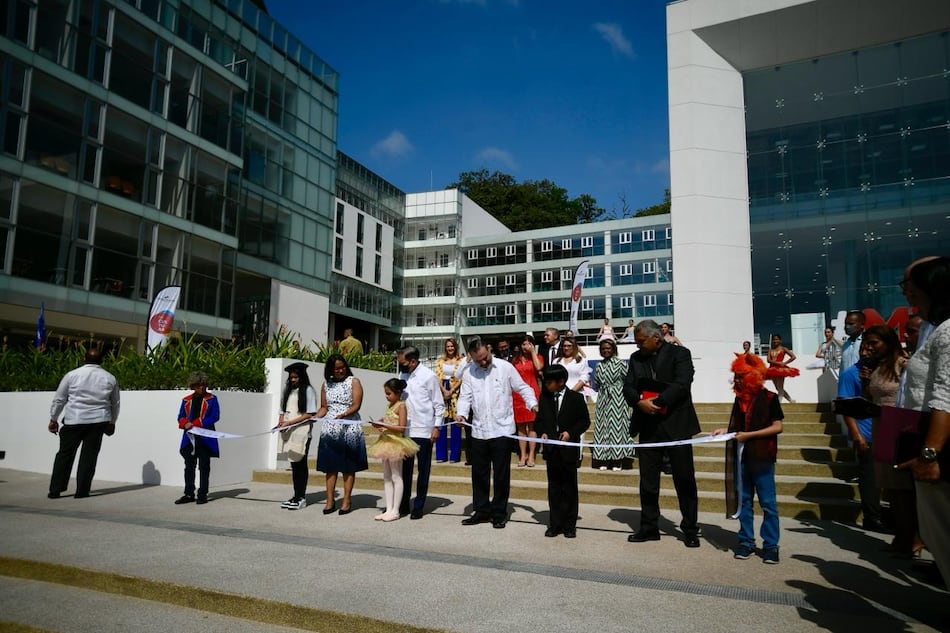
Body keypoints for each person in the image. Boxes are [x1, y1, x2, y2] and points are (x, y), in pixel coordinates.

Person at [622, 319, 701, 548]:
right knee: (648, 481)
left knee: (684, 479)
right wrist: (639, 402)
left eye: (640, 341)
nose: (637, 346)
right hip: (648, 427)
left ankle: (689, 529)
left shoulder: (680, 354)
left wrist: (656, 401)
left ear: (656, 338)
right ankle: (648, 527)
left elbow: (683, 383)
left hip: (676, 425)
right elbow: (628, 386)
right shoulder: (636, 359)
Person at [897, 256, 950, 585]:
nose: (906, 293)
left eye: (910, 285)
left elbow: (946, 396)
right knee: (937, 531)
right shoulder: (935, 330)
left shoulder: (946, 333)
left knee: (942, 529)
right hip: (921, 438)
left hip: (939, 452)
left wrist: (930, 454)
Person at [456, 337, 538, 529]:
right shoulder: (469, 372)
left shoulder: (505, 367)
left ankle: (499, 512)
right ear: (472, 357)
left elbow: (523, 388)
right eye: (478, 360)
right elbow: (465, 397)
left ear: (489, 349)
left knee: (501, 474)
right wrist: (461, 415)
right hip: (478, 430)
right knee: (479, 474)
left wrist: (532, 404)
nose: (483, 362)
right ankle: (482, 510)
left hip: (502, 429)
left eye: (485, 357)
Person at [712, 353, 784, 564]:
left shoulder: (770, 398)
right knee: (744, 501)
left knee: (768, 503)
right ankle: (746, 541)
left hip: (762, 457)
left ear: (753, 375)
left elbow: (777, 427)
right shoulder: (739, 399)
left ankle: (771, 545)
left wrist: (749, 436)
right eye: (736, 376)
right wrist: (726, 430)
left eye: (741, 375)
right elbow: (740, 428)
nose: (737, 380)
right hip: (742, 457)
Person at [864, 324, 918, 547]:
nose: (869, 348)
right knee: (890, 486)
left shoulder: (902, 364)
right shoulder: (879, 367)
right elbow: (872, 396)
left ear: (888, 341)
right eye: (867, 344)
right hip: (881, 426)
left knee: (903, 486)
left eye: (874, 343)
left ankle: (913, 536)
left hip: (901, 426)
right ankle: (902, 533)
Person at [47, 347, 120, 499]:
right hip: (98, 421)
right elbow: (115, 403)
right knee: (89, 457)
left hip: (74, 419)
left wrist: (53, 418)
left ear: (84, 359)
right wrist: (112, 422)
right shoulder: (109, 378)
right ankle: (82, 491)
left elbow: (59, 399)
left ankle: (56, 489)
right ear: (101, 361)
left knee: (64, 455)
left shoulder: (72, 375)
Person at [535, 364, 590, 538]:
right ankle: (555, 523)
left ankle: (569, 525)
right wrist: (542, 431)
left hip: (568, 450)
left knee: (569, 488)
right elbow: (539, 420)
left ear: (560, 382)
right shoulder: (545, 398)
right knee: (554, 488)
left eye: (549, 382)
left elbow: (584, 422)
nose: (546, 386)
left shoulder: (575, 398)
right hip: (551, 450)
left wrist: (570, 433)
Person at [837, 342, 885, 533]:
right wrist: (857, 435)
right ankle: (872, 517)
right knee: (870, 478)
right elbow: (845, 405)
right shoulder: (850, 374)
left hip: (890, 431)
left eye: (870, 347)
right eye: (862, 348)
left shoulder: (889, 370)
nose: (865, 352)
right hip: (866, 433)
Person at [315, 354, 367, 515]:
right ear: (330, 370)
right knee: (330, 467)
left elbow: (356, 405)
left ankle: (346, 500)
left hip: (349, 428)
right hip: (330, 429)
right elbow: (324, 407)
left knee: (348, 466)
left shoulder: (354, 381)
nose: (340, 370)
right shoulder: (326, 385)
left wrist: (344, 415)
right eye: (336, 368)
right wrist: (313, 416)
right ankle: (330, 500)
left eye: (342, 366)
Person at [398, 345, 445, 520]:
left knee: (423, 470)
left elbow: (438, 404)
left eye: (402, 362)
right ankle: (403, 504)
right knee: (405, 471)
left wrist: (436, 427)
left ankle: (419, 505)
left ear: (412, 361)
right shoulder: (402, 374)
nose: (400, 366)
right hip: (405, 430)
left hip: (424, 430)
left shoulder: (429, 376)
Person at [368, 378, 419, 522]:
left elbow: (402, 428)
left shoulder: (401, 406)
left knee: (396, 476)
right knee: (387, 477)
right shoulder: (390, 405)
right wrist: (378, 423)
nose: (386, 396)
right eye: (385, 393)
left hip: (395, 443)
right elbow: (385, 420)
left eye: (389, 393)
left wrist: (386, 426)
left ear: (397, 393)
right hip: (385, 442)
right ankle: (388, 508)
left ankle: (396, 510)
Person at [276, 362, 318, 510]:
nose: (293, 380)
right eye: (291, 377)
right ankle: (295, 495)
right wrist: (281, 423)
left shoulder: (308, 390)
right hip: (289, 431)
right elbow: (282, 411)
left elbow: (309, 414)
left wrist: (290, 423)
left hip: (302, 431)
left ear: (302, 377)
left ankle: (301, 497)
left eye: (296, 377)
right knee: (293, 464)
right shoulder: (287, 390)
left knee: (301, 463)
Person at [175, 371, 220, 505]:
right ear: (193, 386)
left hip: (205, 438)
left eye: (204, 385)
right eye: (199, 385)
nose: (202, 387)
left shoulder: (212, 399)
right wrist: (184, 423)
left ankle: (202, 494)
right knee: (189, 465)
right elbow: (180, 416)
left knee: (204, 466)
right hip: (189, 437)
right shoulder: (186, 400)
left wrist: (194, 424)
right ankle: (189, 493)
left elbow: (215, 416)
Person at [592, 339, 633, 471]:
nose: (606, 350)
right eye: (603, 348)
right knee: (602, 427)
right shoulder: (599, 365)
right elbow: (596, 384)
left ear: (614, 349)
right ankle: (604, 458)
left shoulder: (621, 363)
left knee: (617, 428)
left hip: (618, 398)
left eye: (608, 348)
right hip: (603, 398)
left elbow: (628, 381)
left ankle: (617, 460)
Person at [511, 334, 544, 468]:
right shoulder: (514, 360)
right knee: (520, 426)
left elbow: (539, 368)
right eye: (524, 344)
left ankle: (531, 454)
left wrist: (533, 352)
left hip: (532, 393)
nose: (526, 346)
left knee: (532, 425)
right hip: (517, 395)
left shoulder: (538, 357)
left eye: (529, 344)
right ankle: (522, 454)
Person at [435, 338, 465, 464]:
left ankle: (454, 455)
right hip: (442, 390)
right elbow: (437, 376)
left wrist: (451, 390)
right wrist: (443, 390)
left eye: (452, 346)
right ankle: (441, 455)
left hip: (455, 391)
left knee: (455, 423)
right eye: (448, 346)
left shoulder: (460, 360)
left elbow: (461, 378)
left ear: (455, 347)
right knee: (441, 421)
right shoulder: (440, 361)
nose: (450, 348)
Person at [766, 334, 798, 403]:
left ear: (780, 340)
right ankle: (790, 400)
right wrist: (778, 363)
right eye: (774, 339)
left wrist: (785, 363)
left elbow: (793, 357)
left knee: (780, 387)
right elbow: (768, 360)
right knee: (777, 388)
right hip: (772, 369)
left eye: (777, 339)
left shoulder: (783, 349)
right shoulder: (770, 350)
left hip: (780, 370)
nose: (775, 341)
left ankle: (779, 402)